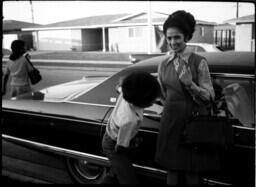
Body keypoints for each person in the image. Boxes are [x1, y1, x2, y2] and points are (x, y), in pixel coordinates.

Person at [155, 10, 217, 185]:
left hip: (193, 124)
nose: (173, 42)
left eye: (177, 37)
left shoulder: (199, 62)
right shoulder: (163, 64)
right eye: (169, 38)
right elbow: (163, 96)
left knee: (192, 173)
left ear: (187, 37)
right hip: (170, 122)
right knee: (172, 172)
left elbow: (209, 98)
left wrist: (191, 85)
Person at [101, 71, 161, 184]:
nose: (155, 100)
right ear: (144, 102)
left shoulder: (126, 93)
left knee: (116, 172)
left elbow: (120, 87)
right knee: (127, 178)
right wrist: (134, 144)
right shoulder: (129, 121)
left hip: (113, 135)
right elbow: (121, 147)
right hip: (114, 145)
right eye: (153, 99)